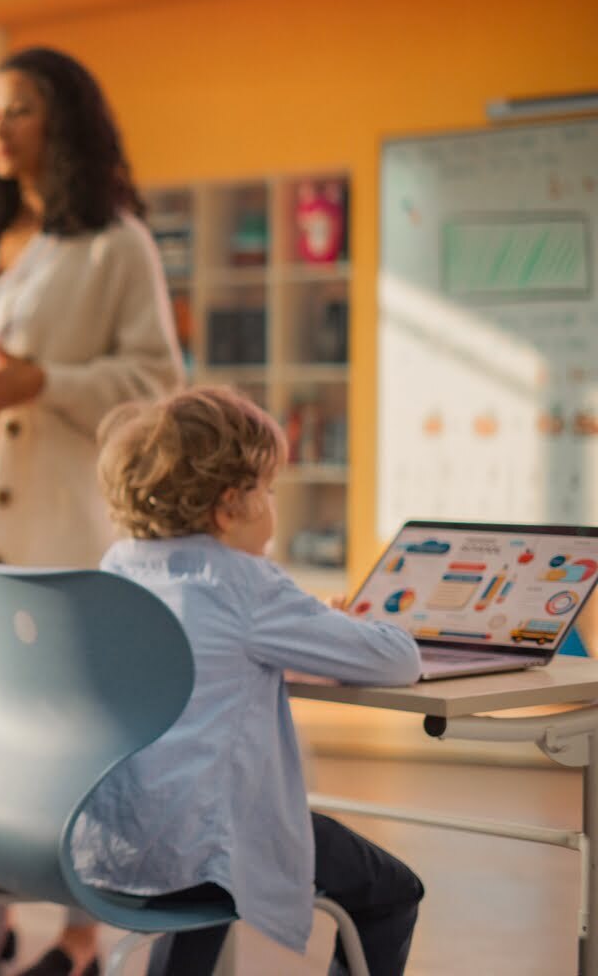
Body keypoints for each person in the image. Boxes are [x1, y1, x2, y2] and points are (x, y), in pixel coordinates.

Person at [0, 46, 184, 976]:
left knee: (67, 726)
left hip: (58, 521)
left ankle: (81, 932)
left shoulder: (116, 244)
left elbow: (155, 383)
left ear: (62, 123)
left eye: (19, 110)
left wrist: (43, 381)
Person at [80, 386, 423, 976]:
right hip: (200, 848)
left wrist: (304, 624)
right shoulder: (245, 584)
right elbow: (397, 661)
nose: (273, 504)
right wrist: (336, 623)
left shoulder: (119, 566)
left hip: (112, 837)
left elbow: (210, 652)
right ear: (230, 505)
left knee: (206, 855)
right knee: (393, 890)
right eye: (269, 490)